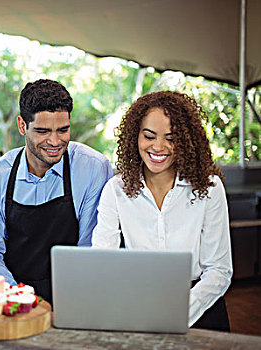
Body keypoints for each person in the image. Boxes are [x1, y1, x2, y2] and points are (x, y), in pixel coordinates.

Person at [92, 91, 232, 331]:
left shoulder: (208, 188)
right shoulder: (115, 190)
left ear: (187, 141)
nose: (158, 147)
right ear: (134, 137)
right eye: (149, 136)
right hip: (139, 304)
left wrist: (179, 313)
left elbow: (218, 270)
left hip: (200, 307)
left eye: (171, 138)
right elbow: (103, 261)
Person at [0, 79, 113, 302]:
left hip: (74, 296)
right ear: (22, 126)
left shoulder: (94, 168)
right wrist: (18, 298)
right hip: (14, 298)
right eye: (42, 131)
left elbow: (91, 250)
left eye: (63, 130)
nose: (55, 141)